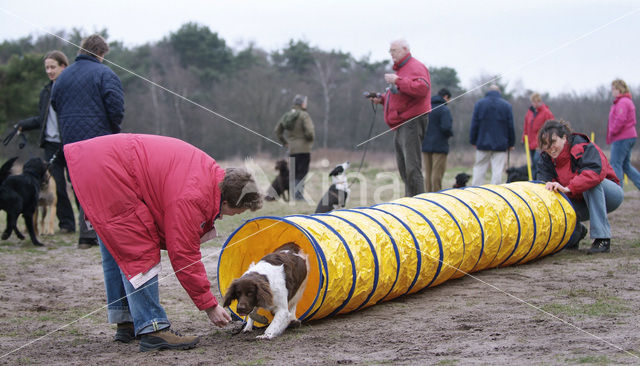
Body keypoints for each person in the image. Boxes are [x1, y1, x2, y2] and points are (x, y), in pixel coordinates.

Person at [63, 133, 264, 351]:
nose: (227, 217)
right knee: (138, 248)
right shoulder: (192, 197)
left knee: (116, 247)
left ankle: (127, 320)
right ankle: (153, 327)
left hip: (95, 164)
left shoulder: (210, 174)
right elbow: (184, 255)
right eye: (235, 212)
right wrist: (210, 306)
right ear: (225, 201)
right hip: (110, 173)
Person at [51, 34, 125, 249]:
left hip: (70, 140)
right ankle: (96, 233)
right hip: (99, 139)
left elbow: (55, 104)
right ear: (100, 53)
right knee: (100, 186)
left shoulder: (63, 77)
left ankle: (86, 234)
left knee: (79, 185)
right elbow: (116, 107)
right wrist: (114, 130)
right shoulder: (105, 73)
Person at [537, 120, 623, 254]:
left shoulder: (582, 146)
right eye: (546, 145)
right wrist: (548, 185)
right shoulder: (545, 159)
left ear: (564, 137)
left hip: (609, 195)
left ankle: (602, 238)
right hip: (579, 200)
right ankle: (576, 233)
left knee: (591, 184)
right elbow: (543, 183)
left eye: (553, 142)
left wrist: (569, 188)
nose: (550, 148)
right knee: (554, 203)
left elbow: (594, 173)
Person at [15, 50, 76, 233]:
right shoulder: (45, 92)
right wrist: (22, 126)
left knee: (77, 183)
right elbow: (42, 119)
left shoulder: (71, 89)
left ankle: (88, 225)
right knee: (56, 185)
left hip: (71, 143)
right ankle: (66, 224)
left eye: (53, 67)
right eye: (47, 68)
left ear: (63, 67)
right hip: (51, 144)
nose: (49, 71)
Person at [370, 39, 430, 197]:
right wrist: (382, 99)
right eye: (390, 51)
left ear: (405, 49)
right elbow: (400, 96)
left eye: (394, 50)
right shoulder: (402, 70)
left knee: (412, 167)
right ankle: (410, 200)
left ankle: (418, 203)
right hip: (401, 123)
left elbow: (422, 88)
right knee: (404, 167)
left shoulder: (415, 67)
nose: (391, 54)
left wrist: (398, 80)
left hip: (411, 122)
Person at [469, 84, 515, 185]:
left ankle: (475, 191)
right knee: (497, 170)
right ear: (499, 92)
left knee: (479, 168)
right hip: (501, 143)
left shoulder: (479, 104)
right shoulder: (506, 105)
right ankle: (495, 193)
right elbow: (510, 126)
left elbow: (474, 124)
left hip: (482, 142)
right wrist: (511, 143)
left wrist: (473, 140)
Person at [275, 94, 315, 201]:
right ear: (302, 103)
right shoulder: (304, 115)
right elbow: (310, 132)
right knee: (301, 172)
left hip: (291, 150)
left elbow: (277, 131)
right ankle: (298, 196)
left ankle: (295, 195)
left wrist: (285, 142)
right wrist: (309, 139)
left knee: (294, 173)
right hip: (304, 149)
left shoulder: (287, 115)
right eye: (305, 102)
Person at [607, 79, 640, 190]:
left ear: (619, 89)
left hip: (622, 137)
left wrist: (612, 132)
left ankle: (617, 191)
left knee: (616, 164)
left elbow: (620, 120)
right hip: (628, 136)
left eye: (614, 89)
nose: (612, 91)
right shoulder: (625, 101)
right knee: (625, 165)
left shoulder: (623, 102)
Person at [421, 88, 453, 192]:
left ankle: (428, 193)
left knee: (428, 171)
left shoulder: (426, 107)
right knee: (437, 171)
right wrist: (449, 134)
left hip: (425, 144)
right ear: (446, 97)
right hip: (439, 145)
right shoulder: (444, 109)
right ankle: (436, 193)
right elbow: (446, 127)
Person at [522, 92, 554, 178]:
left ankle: (539, 181)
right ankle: (532, 181)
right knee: (532, 164)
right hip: (530, 142)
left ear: (540, 101)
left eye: (536, 102)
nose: (534, 104)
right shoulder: (529, 113)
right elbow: (526, 126)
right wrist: (524, 139)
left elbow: (551, 127)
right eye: (533, 102)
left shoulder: (546, 113)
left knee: (538, 162)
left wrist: (547, 141)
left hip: (540, 143)